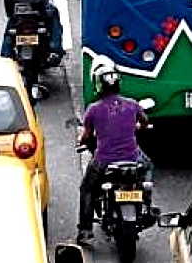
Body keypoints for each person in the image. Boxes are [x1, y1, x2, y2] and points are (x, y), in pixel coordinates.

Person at [77, 56, 152, 246]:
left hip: (104, 161)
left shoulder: (93, 110)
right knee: (148, 166)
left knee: (87, 189)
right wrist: (137, 126)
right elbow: (144, 122)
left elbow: (86, 137)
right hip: (133, 158)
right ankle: (147, 199)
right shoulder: (132, 104)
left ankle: (85, 230)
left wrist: (81, 139)